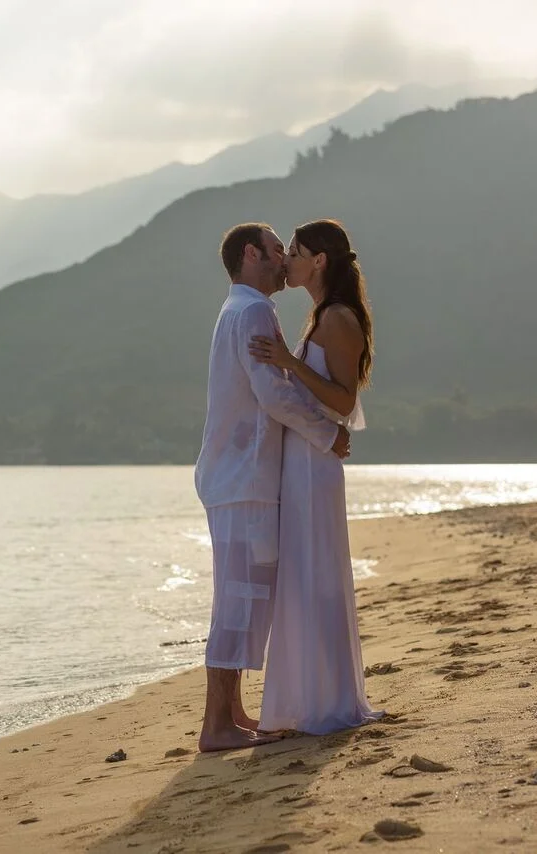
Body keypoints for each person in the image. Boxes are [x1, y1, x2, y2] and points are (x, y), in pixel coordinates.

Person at [194, 222, 351, 753]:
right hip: (244, 477)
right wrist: (328, 433)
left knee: (242, 596)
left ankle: (232, 714)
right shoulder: (254, 311)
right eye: (277, 248)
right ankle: (217, 724)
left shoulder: (238, 309)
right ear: (250, 254)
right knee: (237, 600)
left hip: (237, 475)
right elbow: (274, 395)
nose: (284, 258)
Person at [249, 218, 383, 734]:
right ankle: (307, 698)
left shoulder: (339, 318)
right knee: (302, 577)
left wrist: (289, 362)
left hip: (315, 464)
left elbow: (344, 402)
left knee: (316, 576)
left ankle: (326, 701)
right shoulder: (320, 316)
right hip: (302, 460)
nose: (287, 260)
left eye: (295, 251)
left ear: (319, 261)